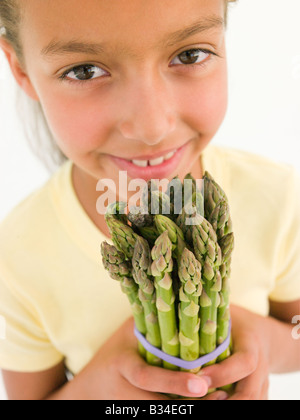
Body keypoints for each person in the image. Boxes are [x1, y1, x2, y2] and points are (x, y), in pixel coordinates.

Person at [0, 0, 299, 400]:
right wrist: (97, 389)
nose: (152, 127)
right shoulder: (15, 262)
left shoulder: (279, 198)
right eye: (84, 71)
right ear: (21, 69)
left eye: (189, 54)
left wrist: (268, 341)